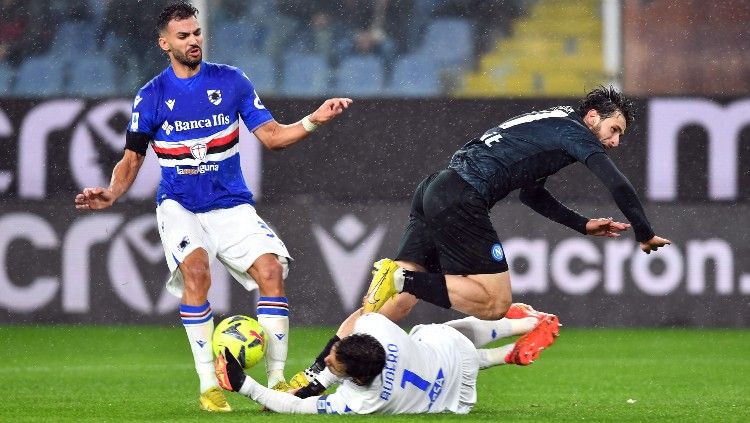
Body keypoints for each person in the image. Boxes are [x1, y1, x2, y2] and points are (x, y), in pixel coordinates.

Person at [289, 86, 670, 388]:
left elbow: (530, 192)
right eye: (614, 129)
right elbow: (617, 184)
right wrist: (645, 232)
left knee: (388, 311)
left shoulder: (553, 124)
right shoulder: (574, 133)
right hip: (463, 196)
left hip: (436, 189)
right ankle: (406, 279)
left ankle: (312, 378)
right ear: (592, 117)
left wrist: (581, 224)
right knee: (494, 303)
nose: (615, 141)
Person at [74, 2, 352, 413]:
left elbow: (273, 137)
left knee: (271, 269)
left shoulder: (231, 81)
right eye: (183, 36)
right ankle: (209, 385)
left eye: (196, 33)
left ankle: (277, 384)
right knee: (197, 272)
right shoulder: (151, 95)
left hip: (231, 205)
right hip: (180, 205)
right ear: (164, 43)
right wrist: (113, 193)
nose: (193, 41)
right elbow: (131, 159)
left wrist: (314, 119)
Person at [215, 303, 559, 414]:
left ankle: (511, 347)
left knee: (456, 349)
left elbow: (295, 409)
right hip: (452, 355)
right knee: (451, 333)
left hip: (457, 399)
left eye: (333, 363)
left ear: (358, 379)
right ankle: (524, 323)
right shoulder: (379, 330)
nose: (328, 361)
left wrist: (243, 384)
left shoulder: (364, 400)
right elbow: (363, 314)